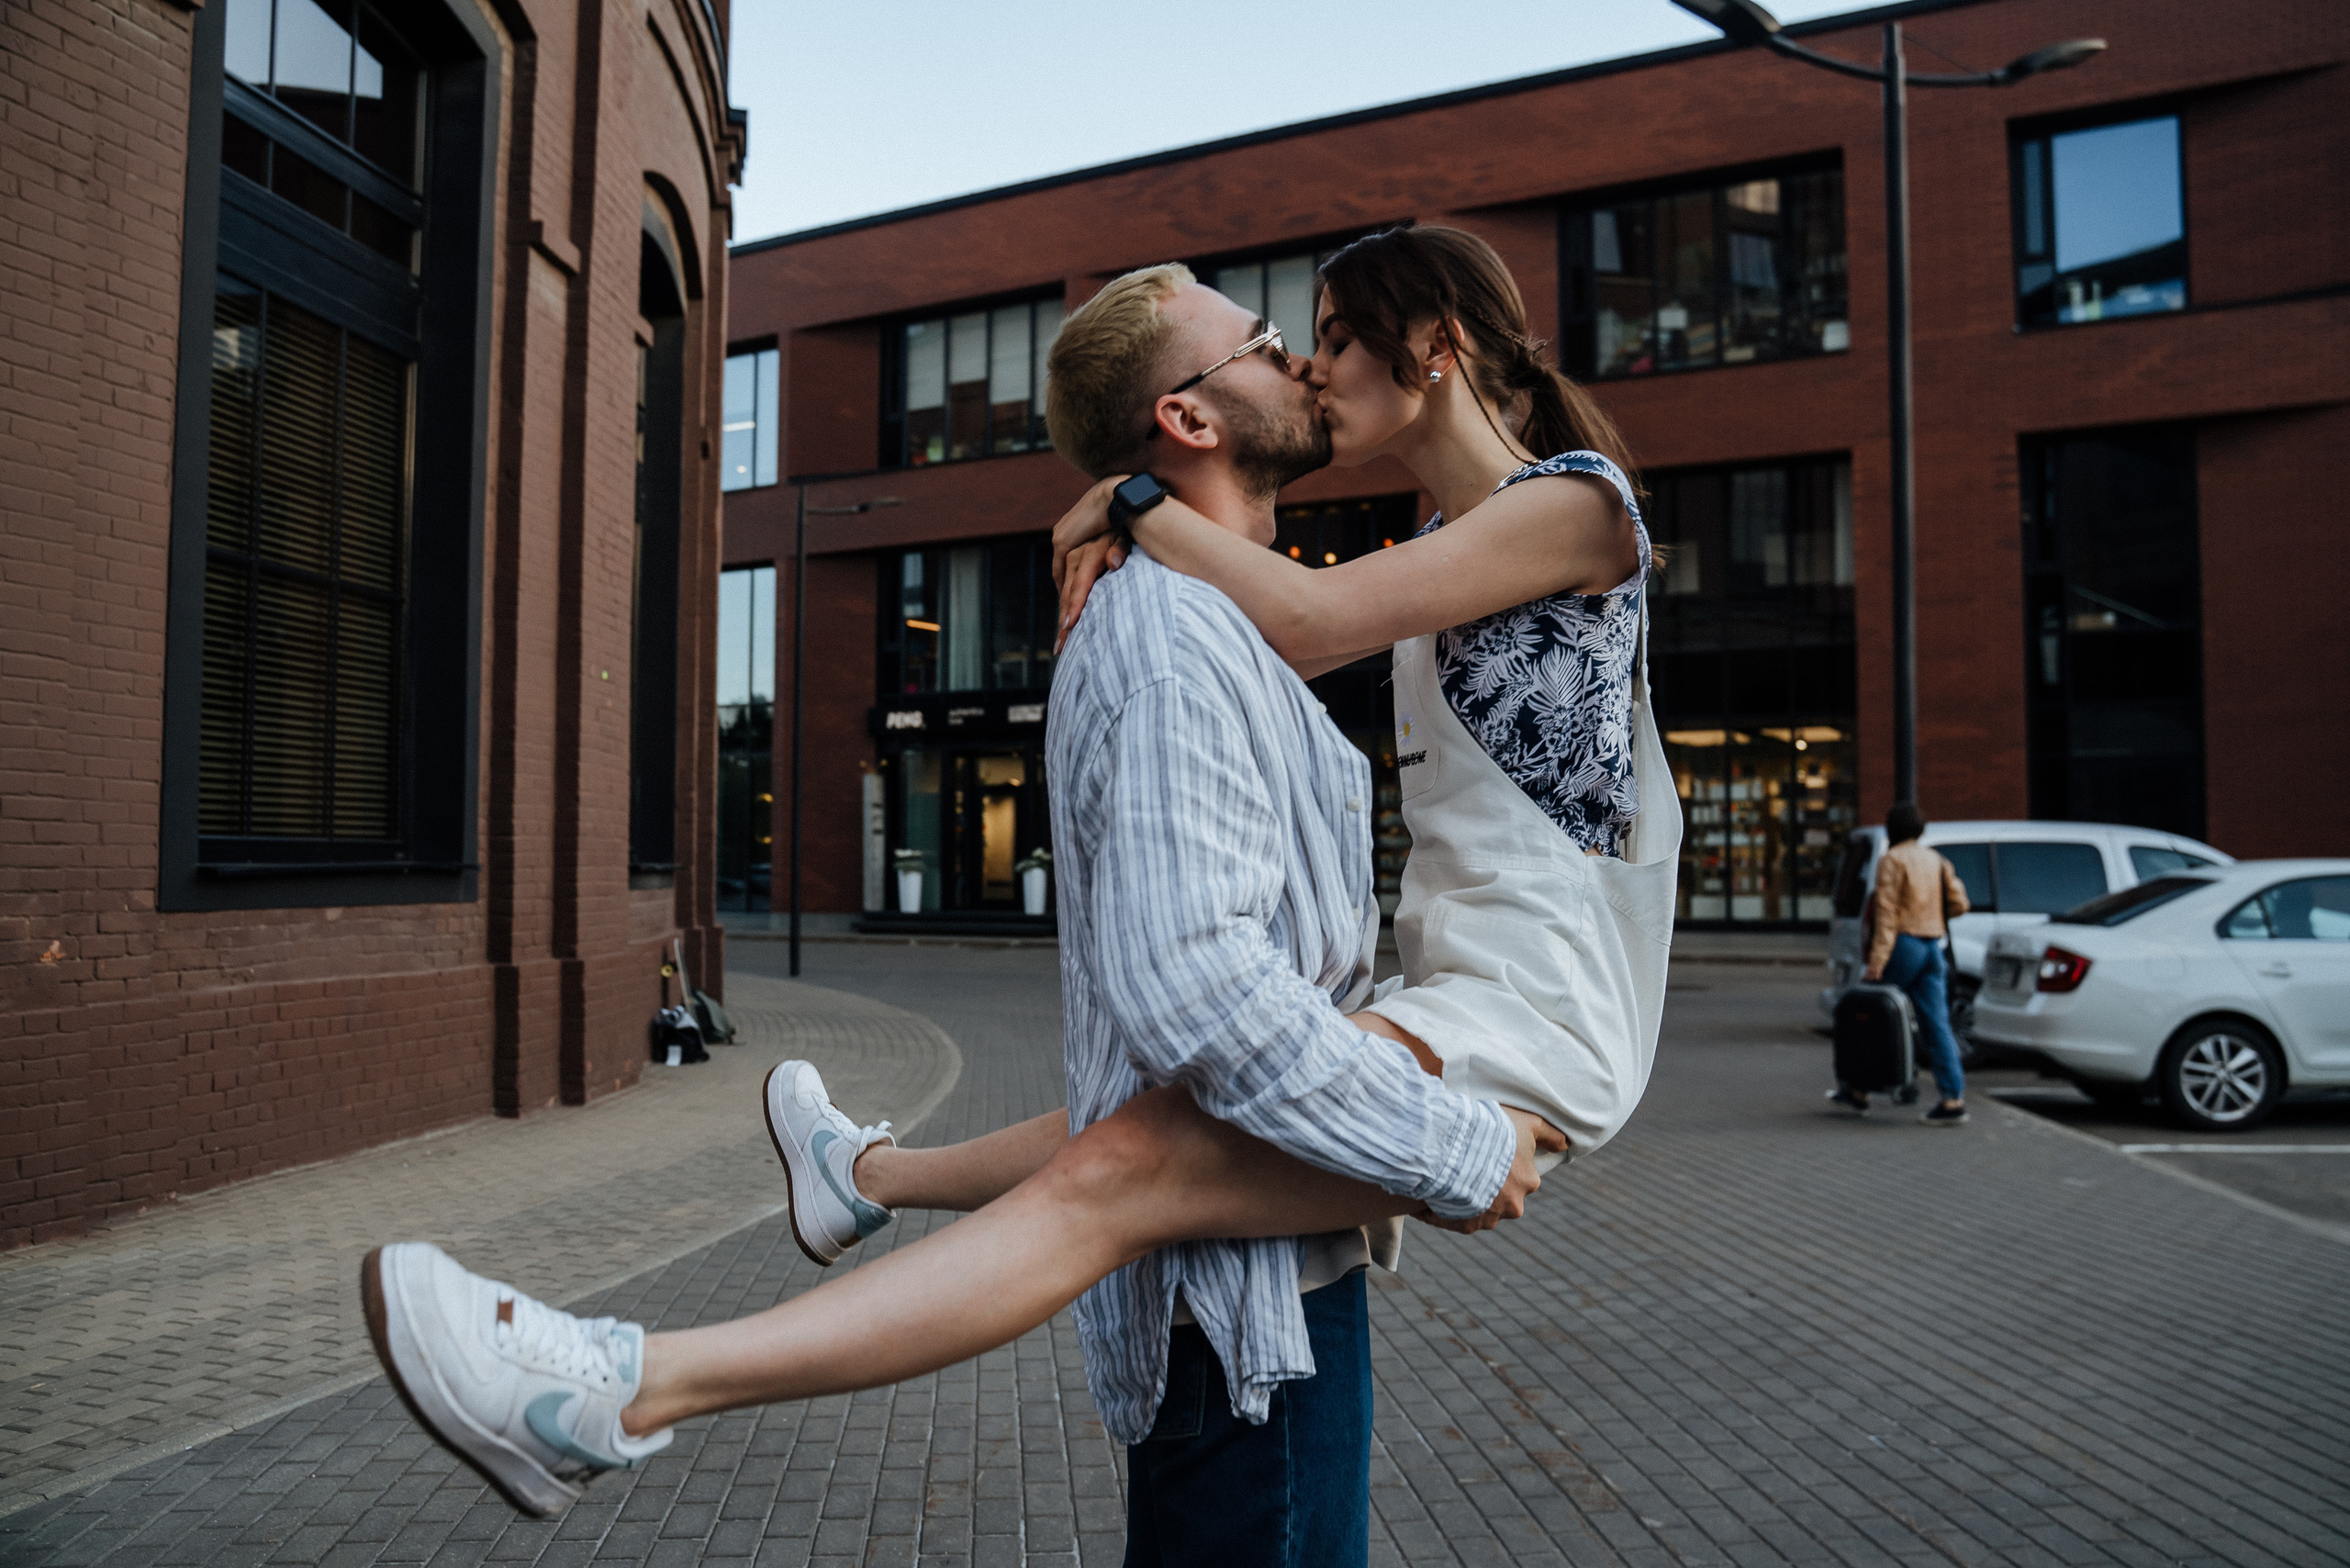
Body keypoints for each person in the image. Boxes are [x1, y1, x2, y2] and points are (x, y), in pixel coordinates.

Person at [363, 255, 1568, 1560]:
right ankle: (613, 1379)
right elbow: (1200, 991)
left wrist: (1131, 503)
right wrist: (1447, 1145)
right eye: (1269, 339)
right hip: (1252, 1314)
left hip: (1264, 1270)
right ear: (1191, 416)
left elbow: (1156, 1072)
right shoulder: (1172, 635)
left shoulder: (1224, 623)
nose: (1301, 361)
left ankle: (817, 1210)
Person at [1831, 802, 1971, 1126]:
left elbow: (1887, 915)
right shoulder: (1935, 860)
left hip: (1904, 945)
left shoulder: (1892, 860)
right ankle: (1953, 1099)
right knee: (1937, 1024)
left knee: (1867, 1014)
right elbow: (1960, 904)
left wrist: (1877, 962)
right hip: (1932, 946)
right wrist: (1933, 913)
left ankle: (1858, 1090)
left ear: (1892, 828)